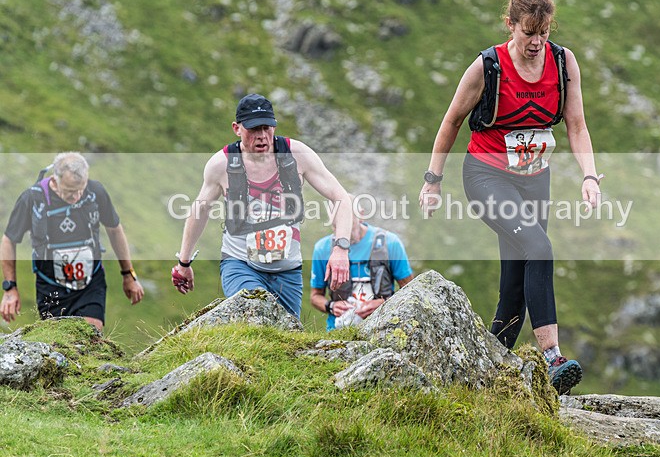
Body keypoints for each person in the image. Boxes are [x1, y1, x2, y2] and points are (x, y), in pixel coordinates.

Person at [419, 0, 601, 394]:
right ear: (510, 24)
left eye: (544, 32)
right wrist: (432, 181)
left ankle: (486, 375)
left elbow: (576, 124)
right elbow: (451, 122)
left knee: (515, 283)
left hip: (535, 178)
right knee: (539, 248)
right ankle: (553, 358)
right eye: (528, 33)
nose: (537, 42)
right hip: (487, 176)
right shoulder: (487, 67)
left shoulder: (563, 62)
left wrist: (590, 176)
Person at [172, 93, 352, 318]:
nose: (262, 136)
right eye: (254, 129)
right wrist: (184, 263)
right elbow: (200, 211)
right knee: (253, 318)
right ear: (237, 129)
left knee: (285, 341)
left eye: (267, 128)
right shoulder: (221, 164)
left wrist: (340, 249)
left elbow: (341, 198)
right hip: (240, 264)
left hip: (287, 271)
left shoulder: (297, 155)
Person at [1, 152, 144, 332]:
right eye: (69, 192)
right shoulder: (32, 199)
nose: (76, 197)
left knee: (91, 334)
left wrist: (128, 274)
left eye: (80, 190)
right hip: (50, 286)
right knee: (57, 341)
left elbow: (115, 230)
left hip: (91, 282)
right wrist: (10, 288)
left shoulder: (96, 192)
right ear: (55, 180)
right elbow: (8, 241)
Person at [310, 197, 413, 330]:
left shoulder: (390, 243)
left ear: (361, 215)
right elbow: (315, 296)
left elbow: (410, 291)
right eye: (336, 226)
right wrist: (331, 306)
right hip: (338, 332)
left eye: (348, 224)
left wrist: (383, 304)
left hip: (384, 329)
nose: (343, 233)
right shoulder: (322, 249)